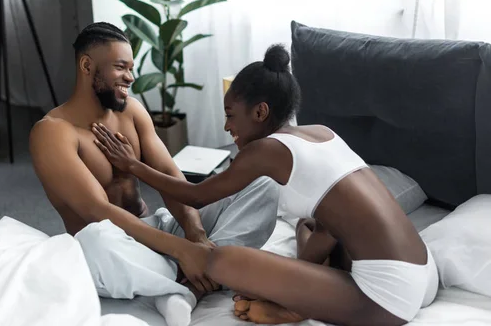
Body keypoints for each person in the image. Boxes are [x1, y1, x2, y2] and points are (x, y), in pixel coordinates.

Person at [91, 44, 439, 326]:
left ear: (259, 112)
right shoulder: (322, 133)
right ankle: (307, 293)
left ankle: (294, 308)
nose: (227, 127)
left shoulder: (266, 151)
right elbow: (331, 229)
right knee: (308, 227)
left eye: (230, 115)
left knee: (221, 261)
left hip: (387, 296)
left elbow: (196, 197)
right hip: (424, 273)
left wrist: (133, 165)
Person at [28, 22, 279, 326]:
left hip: (158, 231)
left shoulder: (132, 111)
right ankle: (201, 275)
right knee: (95, 238)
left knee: (261, 185)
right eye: (120, 67)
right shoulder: (52, 132)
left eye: (132, 68)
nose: (130, 78)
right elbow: (97, 211)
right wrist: (183, 249)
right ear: (86, 65)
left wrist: (196, 236)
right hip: (112, 250)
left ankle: (194, 275)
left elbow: (172, 178)